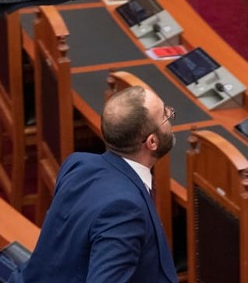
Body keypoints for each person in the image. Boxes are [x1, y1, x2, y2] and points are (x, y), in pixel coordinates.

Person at [16, 86, 178, 282]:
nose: (170, 115)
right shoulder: (125, 209)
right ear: (152, 142)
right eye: (165, 116)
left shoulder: (77, 164)